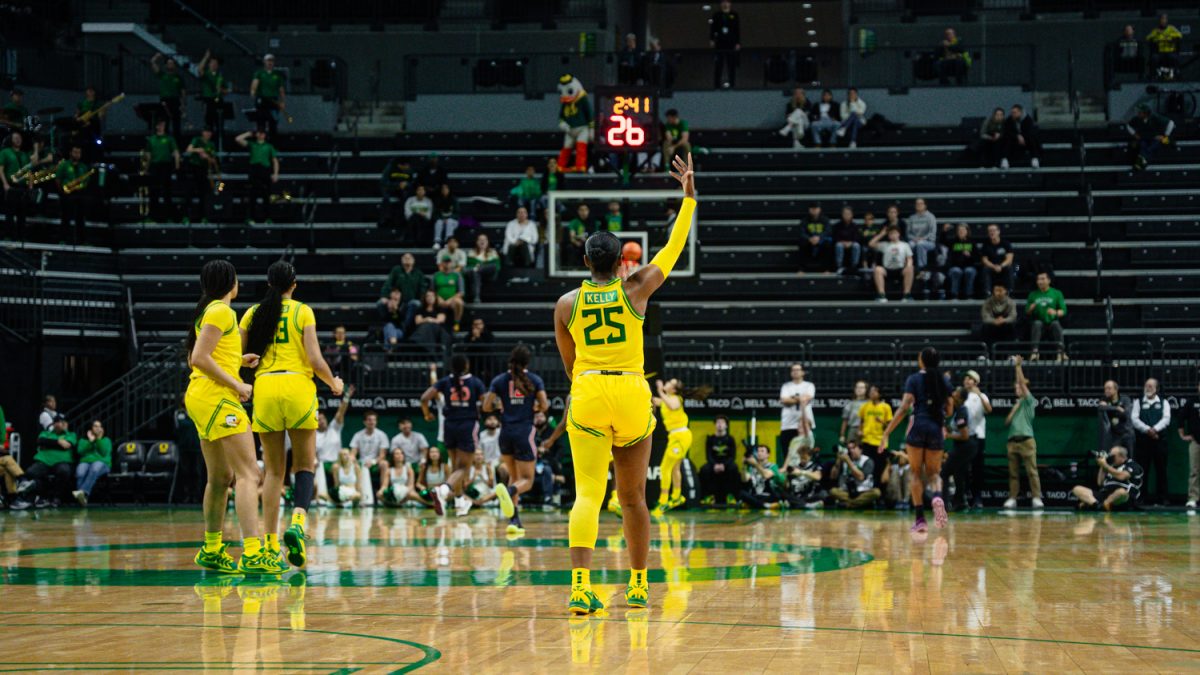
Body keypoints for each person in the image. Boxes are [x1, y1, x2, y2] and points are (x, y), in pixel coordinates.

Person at [553, 152, 695, 614]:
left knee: (588, 493)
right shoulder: (636, 287)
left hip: (590, 388)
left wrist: (586, 388)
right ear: (621, 262)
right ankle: (637, 585)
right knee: (633, 497)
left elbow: (570, 365)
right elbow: (672, 249)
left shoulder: (565, 303)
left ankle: (580, 588)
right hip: (632, 390)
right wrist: (688, 197)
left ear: (584, 258)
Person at [240, 260, 345, 569]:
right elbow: (314, 358)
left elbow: (239, 357)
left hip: (266, 387)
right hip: (297, 386)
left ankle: (270, 544)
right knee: (304, 465)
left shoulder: (251, 313)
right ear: (294, 284)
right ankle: (298, 522)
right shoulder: (303, 311)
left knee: (272, 471)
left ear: (268, 283)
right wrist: (333, 382)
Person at [182, 260, 278, 574]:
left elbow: (201, 354)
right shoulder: (222, 311)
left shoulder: (207, 310)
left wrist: (238, 360)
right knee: (250, 475)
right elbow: (198, 358)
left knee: (220, 478)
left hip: (201, 397)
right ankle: (252, 552)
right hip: (217, 398)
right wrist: (237, 383)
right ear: (230, 283)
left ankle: (211, 549)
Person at [879, 347, 954, 533]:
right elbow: (950, 409)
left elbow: (904, 407)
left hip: (918, 426)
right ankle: (937, 496)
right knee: (934, 474)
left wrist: (887, 432)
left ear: (921, 361)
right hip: (936, 427)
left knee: (915, 472)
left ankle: (920, 519)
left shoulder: (913, 379)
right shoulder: (943, 380)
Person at [483, 345, 549, 533]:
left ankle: (514, 522)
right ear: (528, 362)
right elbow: (544, 405)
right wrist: (533, 407)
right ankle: (509, 492)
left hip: (505, 433)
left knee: (514, 477)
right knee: (526, 481)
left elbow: (487, 406)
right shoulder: (534, 380)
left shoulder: (499, 380)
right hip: (524, 432)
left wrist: (501, 405)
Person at [421, 354, 487, 517]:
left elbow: (424, 398)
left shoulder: (445, 381)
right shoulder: (475, 382)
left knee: (457, 467)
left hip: (449, 426)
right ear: (467, 365)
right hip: (467, 425)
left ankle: (458, 502)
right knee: (464, 468)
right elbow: (486, 405)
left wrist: (427, 414)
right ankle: (443, 490)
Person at [1002, 356, 1043, 509]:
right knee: (1013, 473)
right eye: (1016, 388)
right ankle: (1013, 498)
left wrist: (1017, 367)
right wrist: (1014, 410)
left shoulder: (1029, 401)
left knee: (1032, 471)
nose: (1017, 389)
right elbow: (1006, 423)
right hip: (1012, 442)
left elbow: (1021, 383)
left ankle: (1037, 498)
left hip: (1027, 441)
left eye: (1019, 387)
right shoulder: (1017, 405)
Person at [652, 378, 692, 516]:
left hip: (681, 436)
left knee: (665, 468)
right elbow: (655, 401)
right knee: (675, 468)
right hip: (675, 437)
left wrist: (660, 390)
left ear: (674, 389)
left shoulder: (676, 398)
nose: (667, 383)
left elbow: (672, 406)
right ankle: (676, 496)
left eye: (670, 383)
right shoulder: (667, 399)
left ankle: (663, 500)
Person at [1131, 378, 1171, 506]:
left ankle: (1162, 498)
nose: (1148, 388)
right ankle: (1141, 497)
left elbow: (1166, 419)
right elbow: (1134, 419)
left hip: (1160, 441)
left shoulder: (1164, 402)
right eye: (1146, 385)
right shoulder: (1138, 402)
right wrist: (1148, 430)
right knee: (1143, 470)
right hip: (1143, 442)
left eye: (1151, 386)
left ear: (1157, 389)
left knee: (1161, 470)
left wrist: (1155, 430)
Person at [1072, 445, 1143, 511]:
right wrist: (1102, 465)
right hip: (1105, 494)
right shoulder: (1110, 466)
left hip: (1122, 497)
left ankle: (1101, 504)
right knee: (1077, 489)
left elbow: (1122, 476)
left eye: (1113, 456)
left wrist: (1105, 465)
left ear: (1122, 456)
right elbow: (1100, 482)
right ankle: (1097, 505)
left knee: (1121, 492)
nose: (1111, 458)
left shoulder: (1132, 465)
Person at [1, 131, 43, 239]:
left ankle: (21, 237)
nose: (18, 139)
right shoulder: (5, 152)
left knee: (22, 213)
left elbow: (30, 169)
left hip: (23, 187)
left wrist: (30, 185)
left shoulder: (24, 154)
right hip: (11, 185)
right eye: (15, 138)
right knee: (10, 213)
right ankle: (8, 236)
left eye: (19, 138)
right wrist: (5, 184)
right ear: (10, 139)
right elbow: (0, 169)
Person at [315, 386, 353, 505]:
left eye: (323, 418)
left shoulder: (334, 428)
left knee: (343, 465)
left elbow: (340, 412)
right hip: (322, 464)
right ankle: (319, 496)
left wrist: (347, 397)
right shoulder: (313, 435)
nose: (322, 421)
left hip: (338, 462)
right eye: (319, 420)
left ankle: (343, 495)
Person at [28, 414, 76, 505]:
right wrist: (58, 442)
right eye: (57, 422)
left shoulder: (71, 435)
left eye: (62, 422)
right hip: (44, 461)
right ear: (53, 424)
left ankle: (56, 497)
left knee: (64, 471)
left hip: (61, 461)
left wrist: (49, 444)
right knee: (31, 472)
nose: (59, 424)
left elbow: (67, 445)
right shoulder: (46, 433)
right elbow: (40, 441)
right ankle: (41, 496)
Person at [235, 128, 279, 224]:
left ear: (265, 135)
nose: (260, 135)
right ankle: (250, 218)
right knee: (252, 196)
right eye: (259, 133)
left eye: (262, 133)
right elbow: (238, 139)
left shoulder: (269, 146)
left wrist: (275, 174)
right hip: (254, 171)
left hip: (265, 171)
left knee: (266, 196)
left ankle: (268, 218)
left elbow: (275, 160)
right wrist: (248, 133)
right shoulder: (252, 144)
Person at [143, 119, 180, 222]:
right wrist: (146, 169)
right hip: (154, 167)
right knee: (153, 192)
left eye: (163, 124)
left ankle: (168, 217)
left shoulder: (169, 139)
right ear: (156, 126)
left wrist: (177, 167)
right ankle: (153, 216)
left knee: (166, 192)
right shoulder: (151, 139)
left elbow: (176, 152)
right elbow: (148, 156)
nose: (162, 126)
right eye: (160, 124)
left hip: (166, 166)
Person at [54, 144, 92, 244]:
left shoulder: (83, 166)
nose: (77, 154)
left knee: (80, 218)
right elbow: (58, 179)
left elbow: (87, 180)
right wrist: (62, 191)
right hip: (67, 194)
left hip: (80, 194)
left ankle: (82, 240)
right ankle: (63, 239)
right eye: (75, 152)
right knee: (66, 217)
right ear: (70, 153)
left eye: (79, 153)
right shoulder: (64, 164)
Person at [858, 384, 893, 490]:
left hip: (880, 443)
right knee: (867, 468)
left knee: (879, 469)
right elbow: (861, 421)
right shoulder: (865, 406)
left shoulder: (886, 407)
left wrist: (882, 422)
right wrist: (860, 431)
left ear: (880, 394)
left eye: (874, 391)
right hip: (867, 442)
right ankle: (865, 491)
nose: (871, 393)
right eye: (871, 391)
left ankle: (879, 492)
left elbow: (890, 426)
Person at [778, 363, 815, 463]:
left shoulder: (809, 385)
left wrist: (793, 398)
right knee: (788, 454)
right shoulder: (786, 386)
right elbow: (784, 400)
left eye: (798, 369)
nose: (795, 372)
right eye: (793, 370)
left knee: (805, 454)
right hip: (788, 426)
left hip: (805, 427)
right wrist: (800, 399)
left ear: (803, 372)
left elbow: (807, 398)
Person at [1026, 271, 1067, 361]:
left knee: (1056, 324)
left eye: (1043, 279)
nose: (1040, 281)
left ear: (1049, 280)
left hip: (1051, 322)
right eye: (1038, 279)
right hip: (1039, 322)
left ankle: (1061, 352)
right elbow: (1027, 312)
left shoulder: (1057, 293)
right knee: (1037, 324)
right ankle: (1034, 353)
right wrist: (1031, 309)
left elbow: (1063, 311)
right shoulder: (1033, 294)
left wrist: (1055, 312)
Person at [700, 415, 739, 505]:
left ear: (726, 426)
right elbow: (708, 456)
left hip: (726, 463)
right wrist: (715, 465)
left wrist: (724, 465)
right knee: (704, 469)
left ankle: (731, 496)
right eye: (718, 423)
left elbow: (732, 456)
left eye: (722, 423)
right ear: (715, 425)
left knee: (734, 468)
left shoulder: (730, 439)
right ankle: (707, 496)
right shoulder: (710, 439)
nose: (720, 425)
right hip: (714, 463)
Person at [349, 411, 390, 495]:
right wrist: (354, 460)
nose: (372, 422)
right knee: (352, 464)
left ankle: (382, 492)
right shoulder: (358, 435)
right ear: (364, 422)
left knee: (385, 464)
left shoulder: (382, 435)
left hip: (376, 463)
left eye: (374, 420)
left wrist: (373, 462)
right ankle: (356, 493)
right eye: (369, 420)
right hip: (361, 463)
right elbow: (353, 453)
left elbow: (382, 455)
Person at [72, 419, 111, 506]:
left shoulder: (106, 440)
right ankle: (82, 500)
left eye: (100, 426)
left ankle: (83, 493)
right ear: (90, 429)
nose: (98, 428)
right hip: (86, 462)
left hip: (102, 464)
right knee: (80, 472)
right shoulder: (83, 440)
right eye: (95, 426)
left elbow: (103, 452)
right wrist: (90, 442)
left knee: (94, 468)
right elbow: (80, 451)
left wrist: (98, 439)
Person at [184, 128, 219, 225]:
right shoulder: (196, 140)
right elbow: (189, 149)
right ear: (202, 132)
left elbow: (214, 160)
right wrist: (198, 150)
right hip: (193, 169)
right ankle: (187, 217)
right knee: (189, 194)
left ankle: (204, 217)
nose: (208, 133)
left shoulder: (212, 144)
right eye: (206, 131)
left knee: (205, 194)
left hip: (205, 172)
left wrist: (207, 157)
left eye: (210, 132)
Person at [830, 440, 880, 508]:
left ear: (860, 450)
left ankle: (849, 504)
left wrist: (849, 462)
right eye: (849, 449)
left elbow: (861, 477)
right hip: (847, 492)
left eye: (853, 448)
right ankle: (858, 504)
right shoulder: (844, 460)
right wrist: (838, 460)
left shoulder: (867, 461)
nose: (851, 451)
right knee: (833, 491)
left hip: (863, 491)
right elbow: (833, 476)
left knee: (876, 492)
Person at [1126, 104, 1175, 171]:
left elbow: (1171, 123)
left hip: (1159, 138)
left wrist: (1165, 135)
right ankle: (1142, 162)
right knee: (1143, 145)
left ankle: (1140, 163)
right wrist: (1134, 134)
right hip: (1145, 138)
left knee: (1155, 145)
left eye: (1140, 112)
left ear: (1145, 113)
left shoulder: (1156, 117)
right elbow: (1128, 125)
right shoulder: (1137, 119)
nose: (1138, 113)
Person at [873, 225, 914, 302]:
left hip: (900, 270)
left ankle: (906, 295)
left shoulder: (905, 245)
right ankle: (882, 295)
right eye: (891, 233)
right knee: (878, 269)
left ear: (899, 234)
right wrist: (882, 234)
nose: (893, 235)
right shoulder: (884, 245)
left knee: (910, 268)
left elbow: (909, 258)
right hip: (887, 270)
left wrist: (908, 266)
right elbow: (871, 244)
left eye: (895, 233)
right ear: (888, 235)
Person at [249, 54, 287, 138]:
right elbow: (254, 85)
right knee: (260, 122)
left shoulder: (277, 75)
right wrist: (253, 92)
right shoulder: (259, 73)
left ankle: (272, 145)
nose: (270, 63)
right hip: (262, 100)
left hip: (273, 100)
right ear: (264, 62)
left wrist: (283, 102)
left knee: (273, 123)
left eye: (271, 61)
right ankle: (260, 144)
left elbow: (281, 89)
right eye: (268, 61)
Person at [380, 252, 428, 318]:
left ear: (413, 261)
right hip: (397, 300)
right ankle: (389, 322)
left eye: (409, 258)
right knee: (381, 303)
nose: (407, 259)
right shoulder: (396, 270)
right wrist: (385, 296)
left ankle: (405, 326)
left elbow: (423, 288)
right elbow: (388, 284)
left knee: (416, 303)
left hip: (412, 301)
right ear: (401, 260)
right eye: (405, 258)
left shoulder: (418, 273)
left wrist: (421, 299)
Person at [196, 50, 231, 141]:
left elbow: (226, 90)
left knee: (219, 124)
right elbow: (199, 70)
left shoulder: (220, 76)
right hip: (208, 100)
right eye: (212, 63)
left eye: (215, 63)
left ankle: (219, 143)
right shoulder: (206, 74)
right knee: (209, 124)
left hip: (219, 100)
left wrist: (222, 90)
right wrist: (205, 57)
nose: (214, 65)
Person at [150, 53, 185, 141]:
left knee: (176, 124)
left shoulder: (178, 77)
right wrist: (156, 57)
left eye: (172, 63)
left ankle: (177, 146)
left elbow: (183, 92)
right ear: (166, 65)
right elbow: (152, 63)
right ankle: (164, 144)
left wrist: (183, 104)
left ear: (174, 65)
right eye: (168, 63)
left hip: (175, 101)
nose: (170, 65)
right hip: (164, 101)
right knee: (164, 123)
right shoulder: (162, 75)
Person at [1176, 382, 1200, 509]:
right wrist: (1182, 435)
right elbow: (1180, 418)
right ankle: (1193, 498)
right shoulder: (1192, 401)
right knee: (1194, 471)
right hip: (1196, 441)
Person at [1098, 380, 1135, 458]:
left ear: (1116, 389)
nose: (1106, 391)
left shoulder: (1125, 399)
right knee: (1114, 459)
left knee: (1129, 459)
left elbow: (1126, 414)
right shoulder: (1104, 399)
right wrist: (1117, 408)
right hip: (1115, 436)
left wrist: (1109, 409)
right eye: (1105, 389)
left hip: (1127, 434)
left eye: (1109, 388)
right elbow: (1101, 407)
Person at [739, 444, 783, 509]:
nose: (759, 453)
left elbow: (766, 475)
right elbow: (744, 480)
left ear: (768, 455)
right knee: (741, 493)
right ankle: (765, 505)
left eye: (762, 451)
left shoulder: (773, 466)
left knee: (778, 495)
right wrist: (743, 465)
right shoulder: (752, 468)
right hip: (755, 496)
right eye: (758, 451)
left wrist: (756, 464)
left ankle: (753, 504)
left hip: (769, 495)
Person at [781, 441, 823, 508]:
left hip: (809, 495)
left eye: (805, 458)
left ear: (810, 457)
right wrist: (786, 476)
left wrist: (801, 472)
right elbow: (786, 486)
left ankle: (796, 504)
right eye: (801, 458)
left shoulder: (815, 466)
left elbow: (818, 477)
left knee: (823, 494)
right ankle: (806, 505)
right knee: (782, 494)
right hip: (795, 495)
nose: (802, 460)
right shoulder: (794, 467)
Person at [708, 0, 740, 88]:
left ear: (730, 4)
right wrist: (711, 39)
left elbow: (737, 30)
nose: (725, 4)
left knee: (731, 65)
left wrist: (738, 43)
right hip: (720, 42)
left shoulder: (734, 14)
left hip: (731, 42)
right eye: (723, 2)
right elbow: (713, 28)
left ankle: (732, 85)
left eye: (727, 2)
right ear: (721, 4)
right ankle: (716, 85)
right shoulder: (716, 15)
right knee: (719, 64)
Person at [1002, 104, 1041, 170]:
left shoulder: (1028, 120)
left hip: (1026, 141)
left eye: (1015, 112)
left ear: (1020, 112)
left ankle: (1035, 159)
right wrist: (1017, 136)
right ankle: (1005, 160)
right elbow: (1007, 131)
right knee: (1006, 140)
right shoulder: (1009, 120)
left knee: (1032, 139)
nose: (1013, 114)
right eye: (1012, 113)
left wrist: (1023, 137)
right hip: (1014, 141)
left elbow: (1029, 132)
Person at [979, 224, 1015, 293]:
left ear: (998, 232)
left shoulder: (1006, 243)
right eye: (990, 231)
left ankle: (1010, 291)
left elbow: (1009, 259)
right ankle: (987, 292)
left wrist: (1000, 266)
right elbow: (984, 260)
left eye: (993, 230)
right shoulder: (985, 244)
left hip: (1003, 265)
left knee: (1009, 268)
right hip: (991, 266)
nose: (992, 232)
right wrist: (993, 266)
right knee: (985, 269)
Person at [945, 223, 978, 300]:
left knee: (969, 271)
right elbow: (943, 241)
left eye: (963, 230)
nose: (961, 232)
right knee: (956, 271)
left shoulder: (972, 242)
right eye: (959, 230)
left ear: (967, 231)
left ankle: (969, 294)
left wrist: (970, 255)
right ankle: (954, 295)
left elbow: (977, 257)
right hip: (955, 266)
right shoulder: (953, 242)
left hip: (969, 266)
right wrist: (944, 231)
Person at [1145, 13, 1182, 81]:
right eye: (1161, 19)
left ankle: (1176, 74)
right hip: (1160, 52)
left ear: (1167, 20)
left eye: (1164, 19)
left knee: (1173, 58)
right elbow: (1148, 38)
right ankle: (1153, 75)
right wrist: (1156, 39)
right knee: (1154, 58)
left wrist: (1169, 37)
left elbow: (1179, 35)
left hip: (1170, 51)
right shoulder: (1156, 30)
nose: (1163, 21)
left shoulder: (1171, 28)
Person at [466, 233, 501, 303]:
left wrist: (481, 266)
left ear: (487, 242)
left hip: (490, 275)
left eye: (484, 240)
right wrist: (481, 266)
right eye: (480, 240)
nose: (482, 241)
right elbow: (469, 266)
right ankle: (476, 297)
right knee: (475, 272)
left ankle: (479, 270)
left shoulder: (493, 252)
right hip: (476, 275)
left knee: (491, 266)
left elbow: (497, 266)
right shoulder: (471, 253)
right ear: (477, 242)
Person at [906, 198, 938, 273]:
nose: (919, 205)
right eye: (917, 204)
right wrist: (915, 238)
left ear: (925, 205)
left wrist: (923, 238)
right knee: (907, 246)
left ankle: (922, 269)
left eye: (921, 204)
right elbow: (908, 233)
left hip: (929, 242)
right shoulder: (912, 218)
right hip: (914, 240)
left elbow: (932, 232)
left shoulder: (931, 217)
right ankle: (907, 267)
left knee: (920, 245)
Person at [981, 282, 1018, 347]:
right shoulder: (988, 302)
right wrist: (994, 321)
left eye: (1001, 290)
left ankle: (1010, 354)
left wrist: (1004, 320)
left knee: (1012, 326)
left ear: (1005, 291)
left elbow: (1013, 316)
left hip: (1005, 324)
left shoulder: (1011, 302)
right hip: (992, 325)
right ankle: (986, 353)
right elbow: (985, 317)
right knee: (984, 327)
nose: (999, 293)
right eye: (997, 290)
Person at [799, 202, 831, 273]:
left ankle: (826, 269)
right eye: (812, 209)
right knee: (802, 244)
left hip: (821, 240)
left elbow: (828, 231)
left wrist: (819, 237)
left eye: (816, 209)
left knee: (828, 244)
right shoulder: (805, 220)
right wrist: (809, 238)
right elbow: (801, 232)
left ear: (819, 209)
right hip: (809, 240)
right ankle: (802, 269)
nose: (814, 210)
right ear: (809, 210)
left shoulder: (825, 219)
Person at [832, 206, 861, 275]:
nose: (847, 215)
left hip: (851, 243)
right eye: (845, 214)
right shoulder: (837, 226)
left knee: (856, 245)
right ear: (842, 215)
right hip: (841, 243)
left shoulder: (855, 226)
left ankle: (854, 266)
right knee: (838, 245)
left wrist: (851, 243)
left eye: (848, 214)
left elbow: (857, 238)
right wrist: (843, 242)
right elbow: (835, 237)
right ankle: (839, 267)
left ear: (852, 215)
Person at [431, 184, 458, 249]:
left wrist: (449, 218)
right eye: (443, 189)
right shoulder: (437, 200)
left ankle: (447, 241)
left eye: (446, 189)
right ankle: (437, 242)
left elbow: (457, 213)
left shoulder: (454, 199)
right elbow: (435, 213)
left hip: (453, 221)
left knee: (449, 221)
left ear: (449, 190)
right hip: (441, 219)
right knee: (438, 222)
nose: (444, 190)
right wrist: (442, 219)